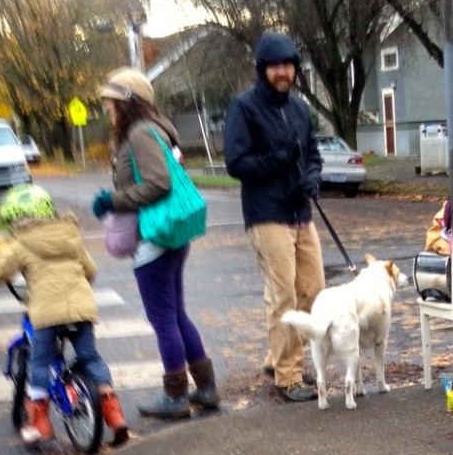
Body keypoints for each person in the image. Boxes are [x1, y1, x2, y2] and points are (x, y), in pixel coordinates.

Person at [91, 68, 219, 419]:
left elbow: (158, 183)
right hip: (172, 236)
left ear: (127, 103)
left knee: (164, 319)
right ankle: (205, 388)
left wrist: (113, 202)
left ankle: (176, 397)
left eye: (110, 101)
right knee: (176, 314)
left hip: (155, 237)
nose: (106, 107)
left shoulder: (140, 134)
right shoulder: (157, 131)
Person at [0, 184, 129, 447]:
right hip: (80, 309)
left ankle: (40, 423)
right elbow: (90, 270)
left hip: (46, 312)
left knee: (39, 362)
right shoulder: (69, 234)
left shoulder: (22, 243)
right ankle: (114, 415)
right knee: (90, 357)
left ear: (16, 218)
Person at [224, 32, 325, 403]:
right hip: (266, 213)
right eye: (275, 66)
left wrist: (312, 176)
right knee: (283, 295)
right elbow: (237, 164)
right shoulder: (245, 108)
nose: (282, 72)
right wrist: (279, 159)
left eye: (288, 65)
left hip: (300, 211)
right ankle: (288, 376)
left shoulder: (299, 108)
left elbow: (312, 152)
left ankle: (276, 357)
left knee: (312, 291)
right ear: (263, 69)